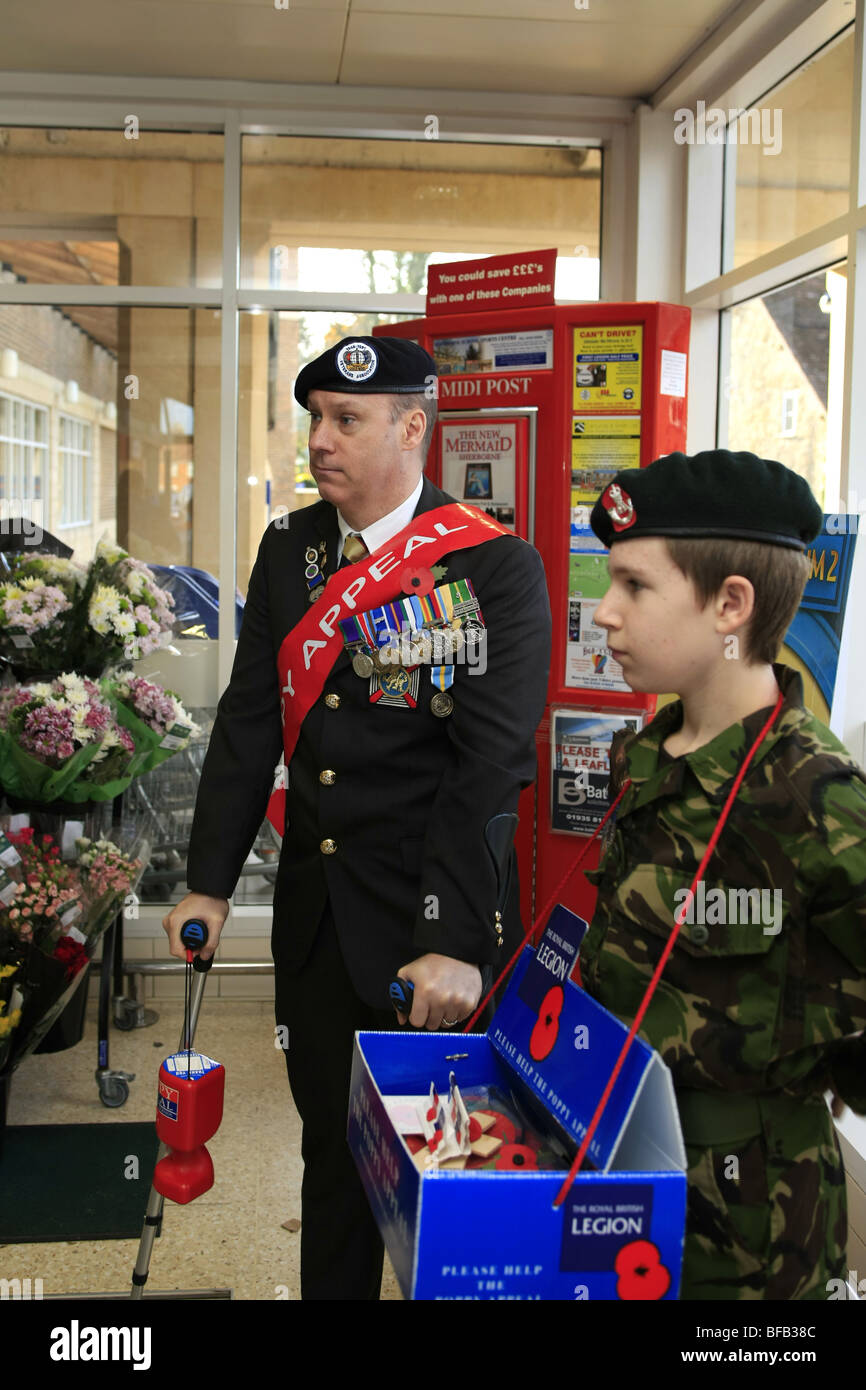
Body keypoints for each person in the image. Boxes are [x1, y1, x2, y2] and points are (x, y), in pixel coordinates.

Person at [162, 336, 552, 1300]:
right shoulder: (290, 549)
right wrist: (207, 879)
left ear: (412, 427)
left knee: (449, 1177)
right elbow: (250, 725)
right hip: (319, 916)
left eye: (347, 420)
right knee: (332, 1162)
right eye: (315, 418)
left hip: (432, 922)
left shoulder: (494, 567)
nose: (320, 440)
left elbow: (487, 769)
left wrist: (453, 939)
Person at [581, 448, 866, 1301]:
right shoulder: (652, 750)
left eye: (635, 586)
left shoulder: (816, 795)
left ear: (730, 606)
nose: (604, 614)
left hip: (748, 1239)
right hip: (617, 1177)